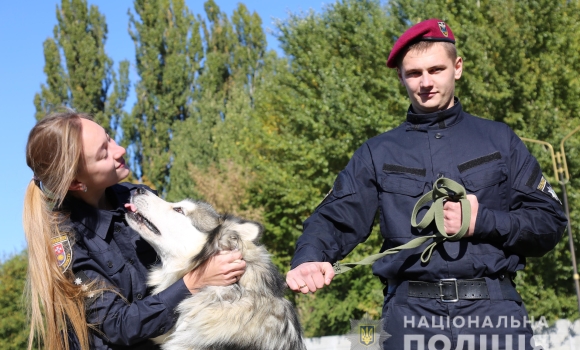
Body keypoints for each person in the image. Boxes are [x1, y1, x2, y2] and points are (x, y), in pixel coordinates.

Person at [285, 19, 567, 349]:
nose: (426, 83)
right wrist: (309, 257)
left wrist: (483, 221)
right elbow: (333, 218)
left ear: (457, 67)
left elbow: (550, 223)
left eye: (436, 69)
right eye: (414, 73)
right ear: (401, 77)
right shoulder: (378, 152)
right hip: (409, 317)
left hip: (494, 312)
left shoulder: (499, 140)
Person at [23, 111, 246, 350]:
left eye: (108, 138)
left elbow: (186, 252)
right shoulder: (67, 241)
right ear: (77, 183)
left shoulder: (134, 196)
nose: (120, 150)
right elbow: (117, 325)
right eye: (103, 153)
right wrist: (194, 281)